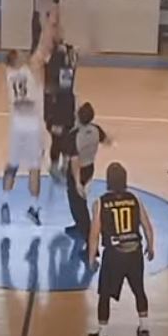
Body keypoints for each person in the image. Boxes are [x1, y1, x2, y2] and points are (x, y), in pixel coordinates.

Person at [0, 0, 59, 226]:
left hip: (17, 125)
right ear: (17, 59)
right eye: (20, 53)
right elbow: (45, 45)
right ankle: (33, 208)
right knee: (34, 167)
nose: (25, 53)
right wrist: (48, 22)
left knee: (13, 164)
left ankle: (4, 200)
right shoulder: (31, 68)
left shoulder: (9, 74)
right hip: (32, 125)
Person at [87, 162, 155, 336]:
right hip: (134, 252)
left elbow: (94, 234)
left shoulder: (100, 203)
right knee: (139, 290)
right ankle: (144, 330)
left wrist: (91, 257)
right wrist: (151, 246)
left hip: (114, 255)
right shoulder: (135, 199)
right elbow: (147, 226)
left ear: (108, 181)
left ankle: (102, 335)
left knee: (104, 294)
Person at [65, 102, 111, 245]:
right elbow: (107, 141)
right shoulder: (96, 129)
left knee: (77, 203)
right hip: (90, 168)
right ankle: (80, 225)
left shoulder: (74, 135)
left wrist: (77, 182)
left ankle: (88, 236)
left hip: (77, 172)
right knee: (82, 199)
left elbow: (74, 162)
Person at [44, 38, 78, 180]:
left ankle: (64, 165)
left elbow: (64, 83)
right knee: (59, 139)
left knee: (64, 138)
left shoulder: (64, 58)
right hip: (59, 107)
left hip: (63, 106)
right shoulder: (57, 59)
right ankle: (56, 166)